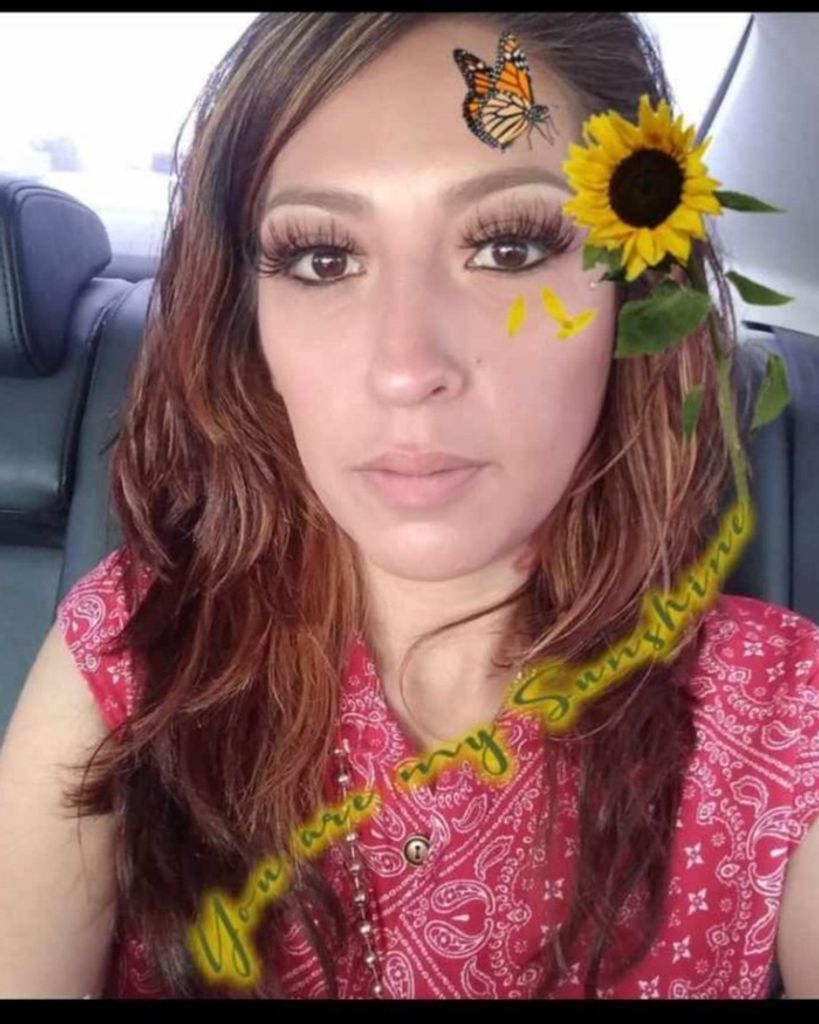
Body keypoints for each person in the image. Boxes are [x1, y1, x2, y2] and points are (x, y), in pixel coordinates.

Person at [1, 11, 817, 1000]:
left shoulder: (781, 718)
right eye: (322, 259)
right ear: (250, 328)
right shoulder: (138, 648)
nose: (405, 367)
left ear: (632, 301)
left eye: (509, 247)